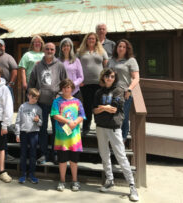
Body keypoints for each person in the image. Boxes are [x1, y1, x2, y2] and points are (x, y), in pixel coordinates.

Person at [93, 68, 139, 201]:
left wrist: (102, 107)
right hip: (100, 127)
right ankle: (109, 180)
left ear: (115, 78)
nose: (109, 78)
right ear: (103, 77)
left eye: (112, 76)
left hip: (114, 128)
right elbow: (94, 111)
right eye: (107, 76)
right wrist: (103, 108)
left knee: (121, 156)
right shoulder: (98, 92)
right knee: (104, 154)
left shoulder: (118, 90)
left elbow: (114, 109)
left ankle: (132, 186)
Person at [28, 42, 67, 164]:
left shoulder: (60, 65)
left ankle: (55, 154)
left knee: (57, 130)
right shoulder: (37, 66)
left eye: (52, 49)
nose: (49, 51)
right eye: (47, 49)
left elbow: (65, 84)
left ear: (55, 51)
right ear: (44, 50)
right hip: (41, 104)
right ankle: (44, 154)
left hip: (56, 104)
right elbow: (31, 85)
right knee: (42, 130)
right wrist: (32, 97)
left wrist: (60, 95)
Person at [51, 79, 86, 192]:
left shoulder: (77, 101)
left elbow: (82, 115)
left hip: (74, 137)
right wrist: (68, 121)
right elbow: (55, 115)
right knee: (62, 160)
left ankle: (75, 181)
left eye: (68, 87)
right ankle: (62, 181)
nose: (66, 89)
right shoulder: (57, 101)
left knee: (74, 160)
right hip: (62, 137)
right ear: (61, 89)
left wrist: (75, 122)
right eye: (64, 87)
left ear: (72, 88)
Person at [107, 39, 140, 142]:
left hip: (125, 93)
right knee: (111, 115)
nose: (121, 48)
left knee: (123, 116)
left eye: (123, 47)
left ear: (127, 49)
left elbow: (136, 78)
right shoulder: (111, 60)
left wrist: (129, 89)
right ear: (116, 48)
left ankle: (123, 138)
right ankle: (113, 138)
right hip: (112, 92)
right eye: (119, 46)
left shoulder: (131, 60)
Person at [77, 32, 108, 136]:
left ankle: (100, 126)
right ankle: (86, 127)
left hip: (99, 83)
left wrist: (105, 80)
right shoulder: (80, 51)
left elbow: (106, 66)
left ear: (96, 41)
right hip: (85, 83)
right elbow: (76, 66)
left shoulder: (101, 51)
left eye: (93, 39)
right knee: (87, 105)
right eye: (89, 38)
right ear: (86, 40)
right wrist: (79, 80)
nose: (91, 40)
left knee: (99, 105)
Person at [0, 38, 17, 161]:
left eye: (0, 46)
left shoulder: (9, 57)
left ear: (4, 47)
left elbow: (15, 70)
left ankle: (4, 150)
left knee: (7, 113)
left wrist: (11, 83)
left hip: (6, 88)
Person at [15, 88, 42, 184]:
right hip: (23, 133)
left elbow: (41, 123)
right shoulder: (22, 106)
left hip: (34, 133)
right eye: (33, 97)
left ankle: (32, 174)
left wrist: (38, 120)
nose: (34, 99)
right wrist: (17, 133)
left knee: (33, 155)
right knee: (23, 154)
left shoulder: (38, 108)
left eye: (36, 98)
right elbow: (18, 121)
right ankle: (23, 174)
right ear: (28, 96)